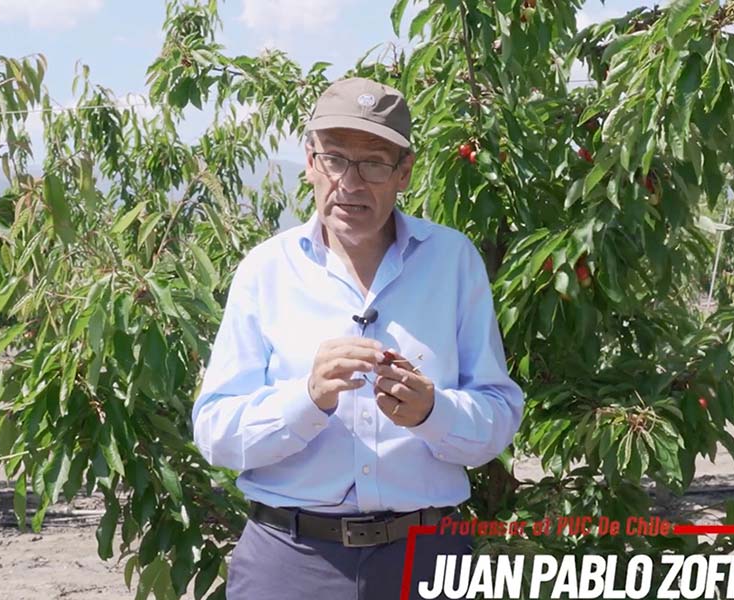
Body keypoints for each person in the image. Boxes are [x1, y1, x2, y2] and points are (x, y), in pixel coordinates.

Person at [191, 77, 524, 600]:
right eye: (335, 159)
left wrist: (432, 413)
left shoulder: (453, 262)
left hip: (426, 559)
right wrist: (307, 398)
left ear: (404, 172)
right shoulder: (266, 270)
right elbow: (215, 432)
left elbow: (499, 415)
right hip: (290, 561)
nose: (350, 182)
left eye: (373, 163)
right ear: (310, 162)